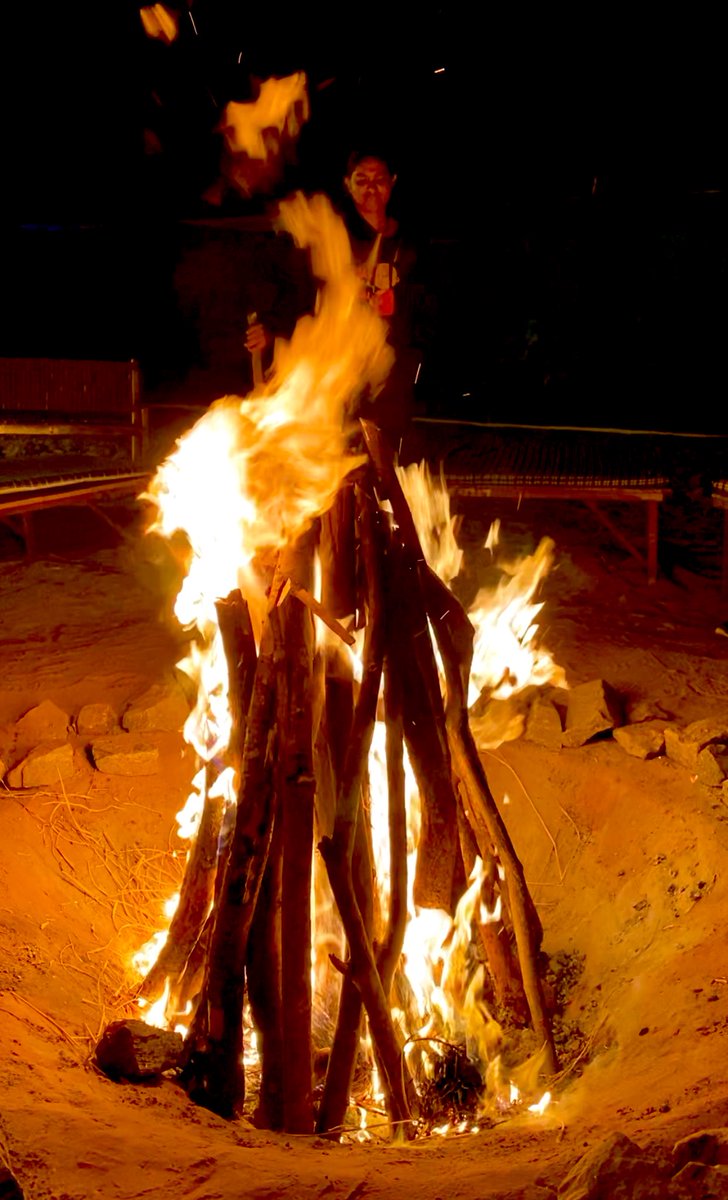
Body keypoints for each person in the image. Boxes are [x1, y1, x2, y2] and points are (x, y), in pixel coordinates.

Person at [340, 149, 433, 450]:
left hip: (394, 376)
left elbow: (427, 306)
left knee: (388, 457)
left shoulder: (409, 242)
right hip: (342, 373)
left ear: (392, 182)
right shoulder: (333, 237)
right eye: (362, 180)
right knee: (342, 458)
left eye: (379, 179)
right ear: (348, 184)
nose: (370, 187)